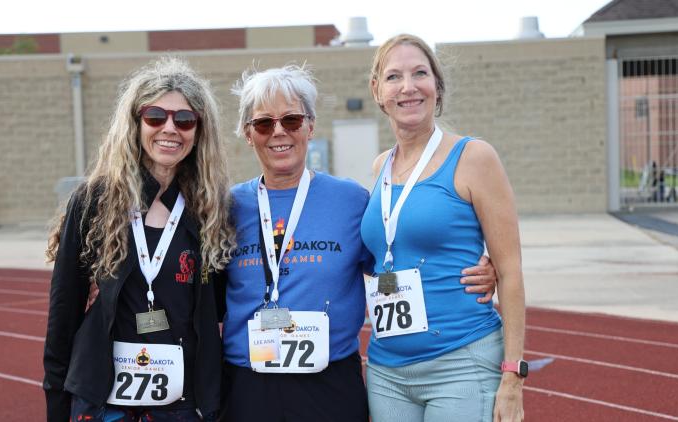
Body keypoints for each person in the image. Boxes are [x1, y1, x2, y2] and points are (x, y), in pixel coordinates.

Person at [218, 64, 498, 421]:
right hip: (247, 384)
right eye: (263, 123)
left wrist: (482, 266)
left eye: (291, 120)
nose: (278, 133)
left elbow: (394, 260)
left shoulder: (350, 200)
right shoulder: (226, 207)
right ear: (247, 133)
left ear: (310, 125)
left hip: (328, 383)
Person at [43, 57, 235, 422]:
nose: (170, 129)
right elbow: (64, 311)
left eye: (184, 119)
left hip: (184, 403)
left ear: (198, 130)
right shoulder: (93, 201)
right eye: (155, 117)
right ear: (135, 123)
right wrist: (56, 399)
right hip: (106, 402)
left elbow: (221, 304)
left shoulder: (210, 208)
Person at [361, 34, 526, 421]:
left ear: (437, 86)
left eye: (420, 73)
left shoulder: (473, 157)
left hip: (460, 361)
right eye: (393, 77)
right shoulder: (379, 167)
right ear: (377, 90)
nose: (408, 87)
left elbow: (511, 272)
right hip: (387, 372)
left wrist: (513, 376)